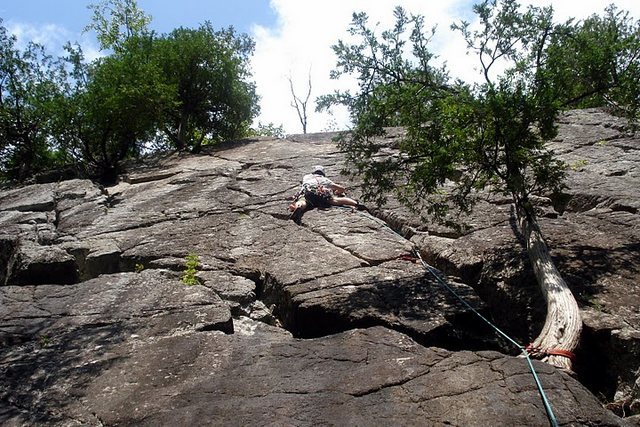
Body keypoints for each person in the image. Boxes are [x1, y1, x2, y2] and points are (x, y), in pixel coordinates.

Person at [288, 165, 364, 224]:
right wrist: (338, 191)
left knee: (303, 201)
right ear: (323, 173)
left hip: (309, 193)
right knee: (335, 200)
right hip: (321, 195)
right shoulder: (325, 179)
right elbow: (342, 188)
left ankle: (299, 207)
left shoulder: (306, 177)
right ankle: (356, 204)